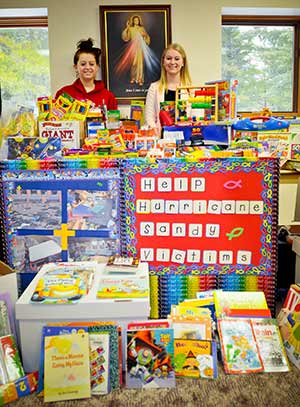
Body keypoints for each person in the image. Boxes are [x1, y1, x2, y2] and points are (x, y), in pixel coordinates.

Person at [55, 38, 117, 110]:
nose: (87, 67)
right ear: (76, 67)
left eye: (91, 64)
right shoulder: (64, 93)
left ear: (97, 67)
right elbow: (55, 119)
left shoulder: (108, 96)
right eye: (83, 64)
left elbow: (113, 120)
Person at [144, 43, 192, 132]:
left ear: (183, 63)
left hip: (185, 139)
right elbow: (149, 118)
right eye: (168, 58)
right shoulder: (154, 88)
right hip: (161, 140)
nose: (172, 62)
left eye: (177, 59)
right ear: (163, 62)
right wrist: (156, 133)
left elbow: (196, 120)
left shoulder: (191, 90)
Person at [115, 15, 152, 86]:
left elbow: (147, 38)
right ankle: (133, 77)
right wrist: (127, 27)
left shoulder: (142, 28)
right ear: (133, 21)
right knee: (133, 63)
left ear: (139, 21)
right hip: (132, 48)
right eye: (135, 20)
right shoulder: (131, 29)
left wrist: (144, 36)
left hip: (140, 47)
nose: (136, 21)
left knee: (140, 63)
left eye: (137, 20)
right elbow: (126, 37)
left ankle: (140, 79)